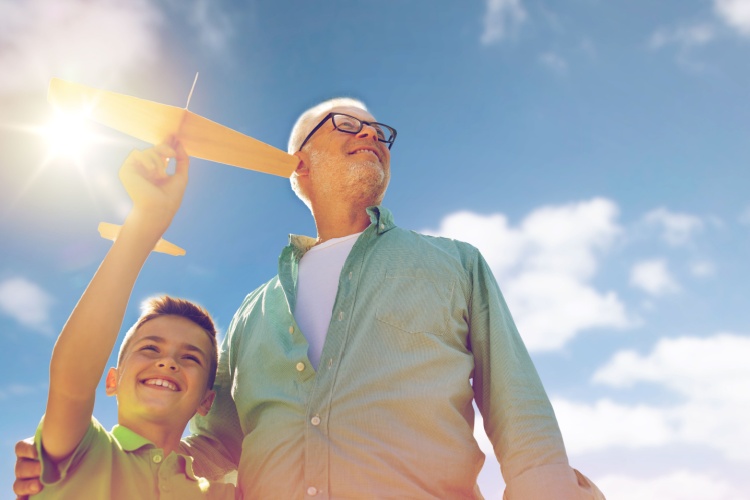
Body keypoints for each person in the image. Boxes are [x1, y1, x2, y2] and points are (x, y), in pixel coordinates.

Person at [15, 100, 603, 499]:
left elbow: (521, 418)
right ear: (298, 164)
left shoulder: (455, 264)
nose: (372, 134)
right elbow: (216, 444)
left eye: (380, 132)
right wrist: (78, 462)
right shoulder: (250, 315)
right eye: (347, 126)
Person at [20, 138, 234, 499]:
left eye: (190, 357)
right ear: (112, 381)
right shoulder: (81, 454)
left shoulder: (223, 494)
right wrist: (145, 220)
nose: (167, 362)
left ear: (206, 403)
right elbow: (71, 381)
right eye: (150, 349)